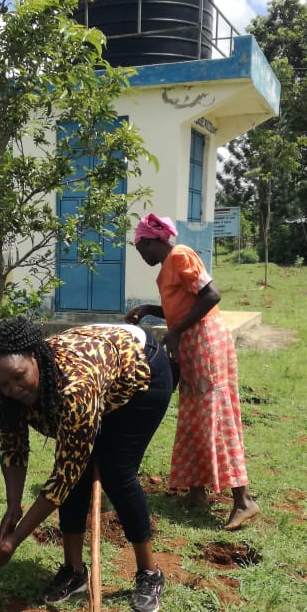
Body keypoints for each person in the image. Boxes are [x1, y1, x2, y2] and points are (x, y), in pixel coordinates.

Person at [0, 317, 173, 612]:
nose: (14, 388)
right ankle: (74, 571)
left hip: (141, 370)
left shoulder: (74, 388)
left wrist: (14, 540)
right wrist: (13, 506)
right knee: (76, 474)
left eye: (19, 376)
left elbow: (63, 477)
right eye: (4, 383)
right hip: (101, 369)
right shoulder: (5, 394)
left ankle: (149, 573)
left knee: (117, 471)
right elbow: (13, 449)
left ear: (33, 357)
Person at [124, 213, 259, 531]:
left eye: (140, 247)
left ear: (151, 241)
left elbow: (210, 296)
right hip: (191, 342)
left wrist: (175, 332)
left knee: (216, 414)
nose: (140, 254)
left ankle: (244, 500)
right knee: (194, 415)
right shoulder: (167, 267)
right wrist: (148, 310)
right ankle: (196, 492)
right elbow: (181, 305)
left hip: (205, 340)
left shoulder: (181, 255)